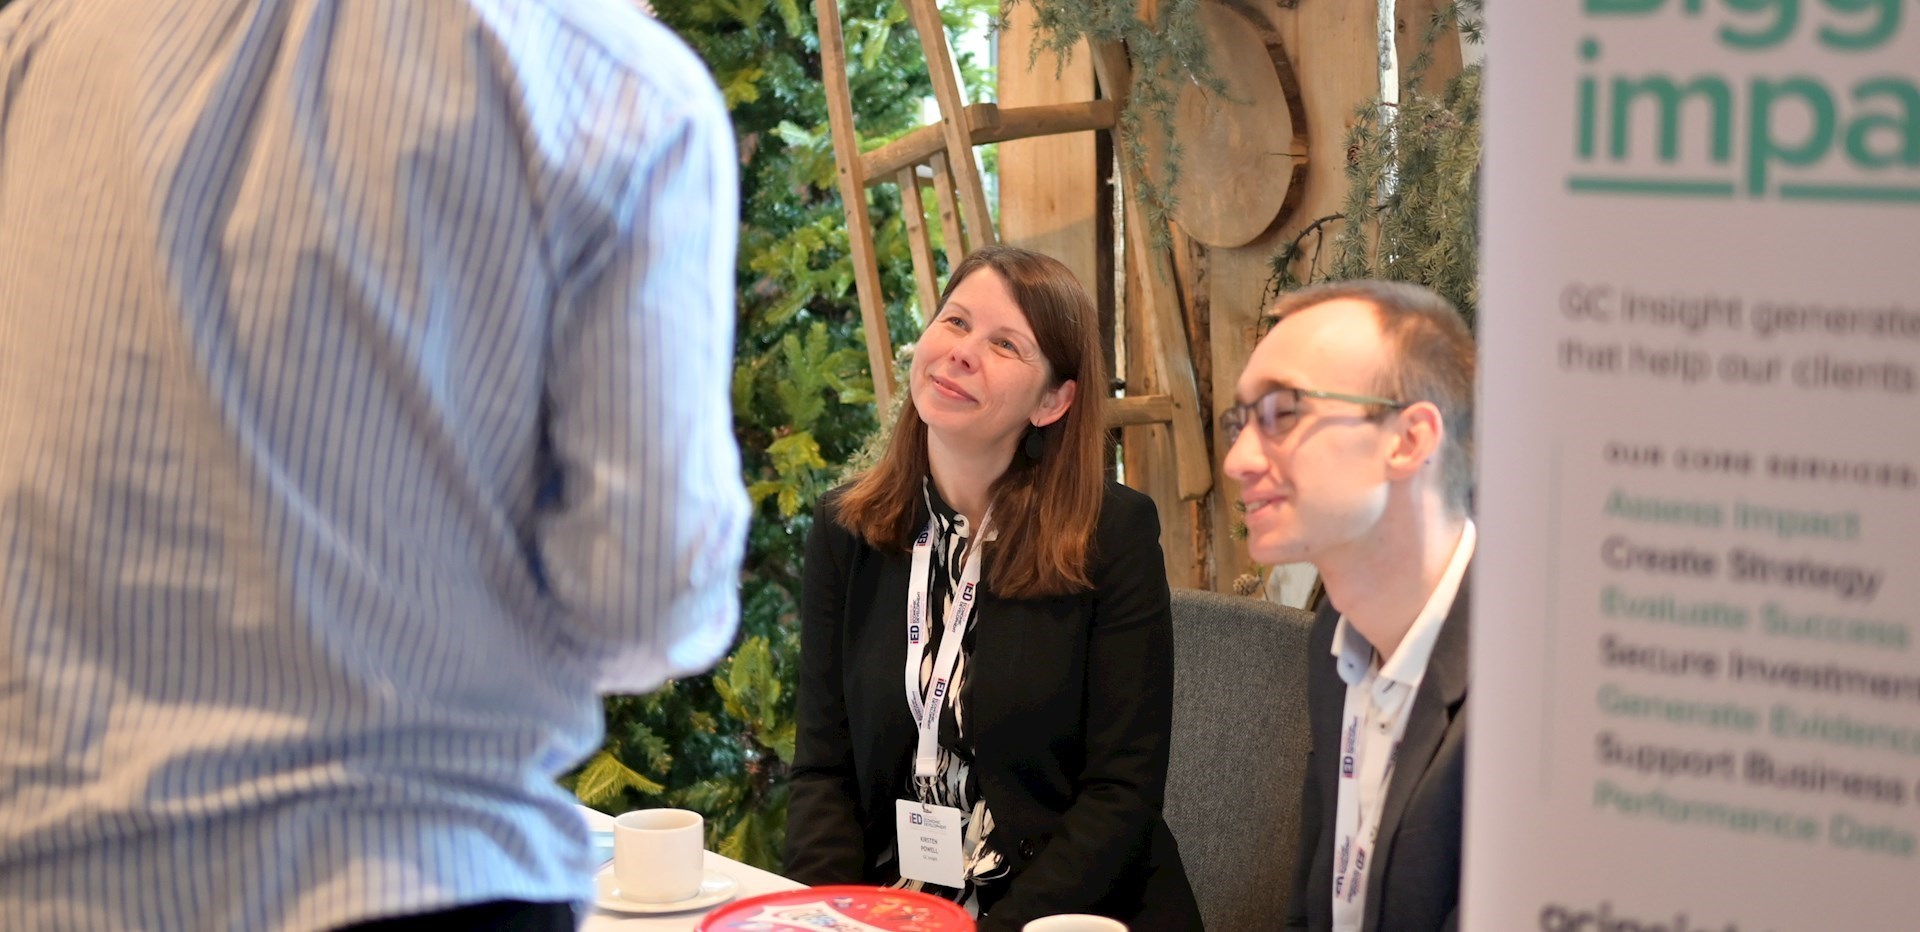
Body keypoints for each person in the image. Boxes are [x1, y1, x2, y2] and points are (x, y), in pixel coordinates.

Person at [0, 2, 748, 930]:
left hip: (50, 882)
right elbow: (648, 598)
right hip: (416, 874)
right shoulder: (612, 87)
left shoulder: (39, 40)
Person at [786, 246, 1203, 931]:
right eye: (954, 322)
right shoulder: (846, 531)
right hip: (897, 909)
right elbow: (822, 773)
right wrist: (835, 918)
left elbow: (1120, 798)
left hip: (1061, 916)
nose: (962, 352)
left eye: (1005, 344)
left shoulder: (1113, 537)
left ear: (1053, 400)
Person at [1221, 281, 1475, 932]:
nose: (1238, 460)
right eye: (1240, 421)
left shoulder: (1533, 696)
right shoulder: (1337, 635)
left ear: (1408, 438)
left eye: (1283, 412)